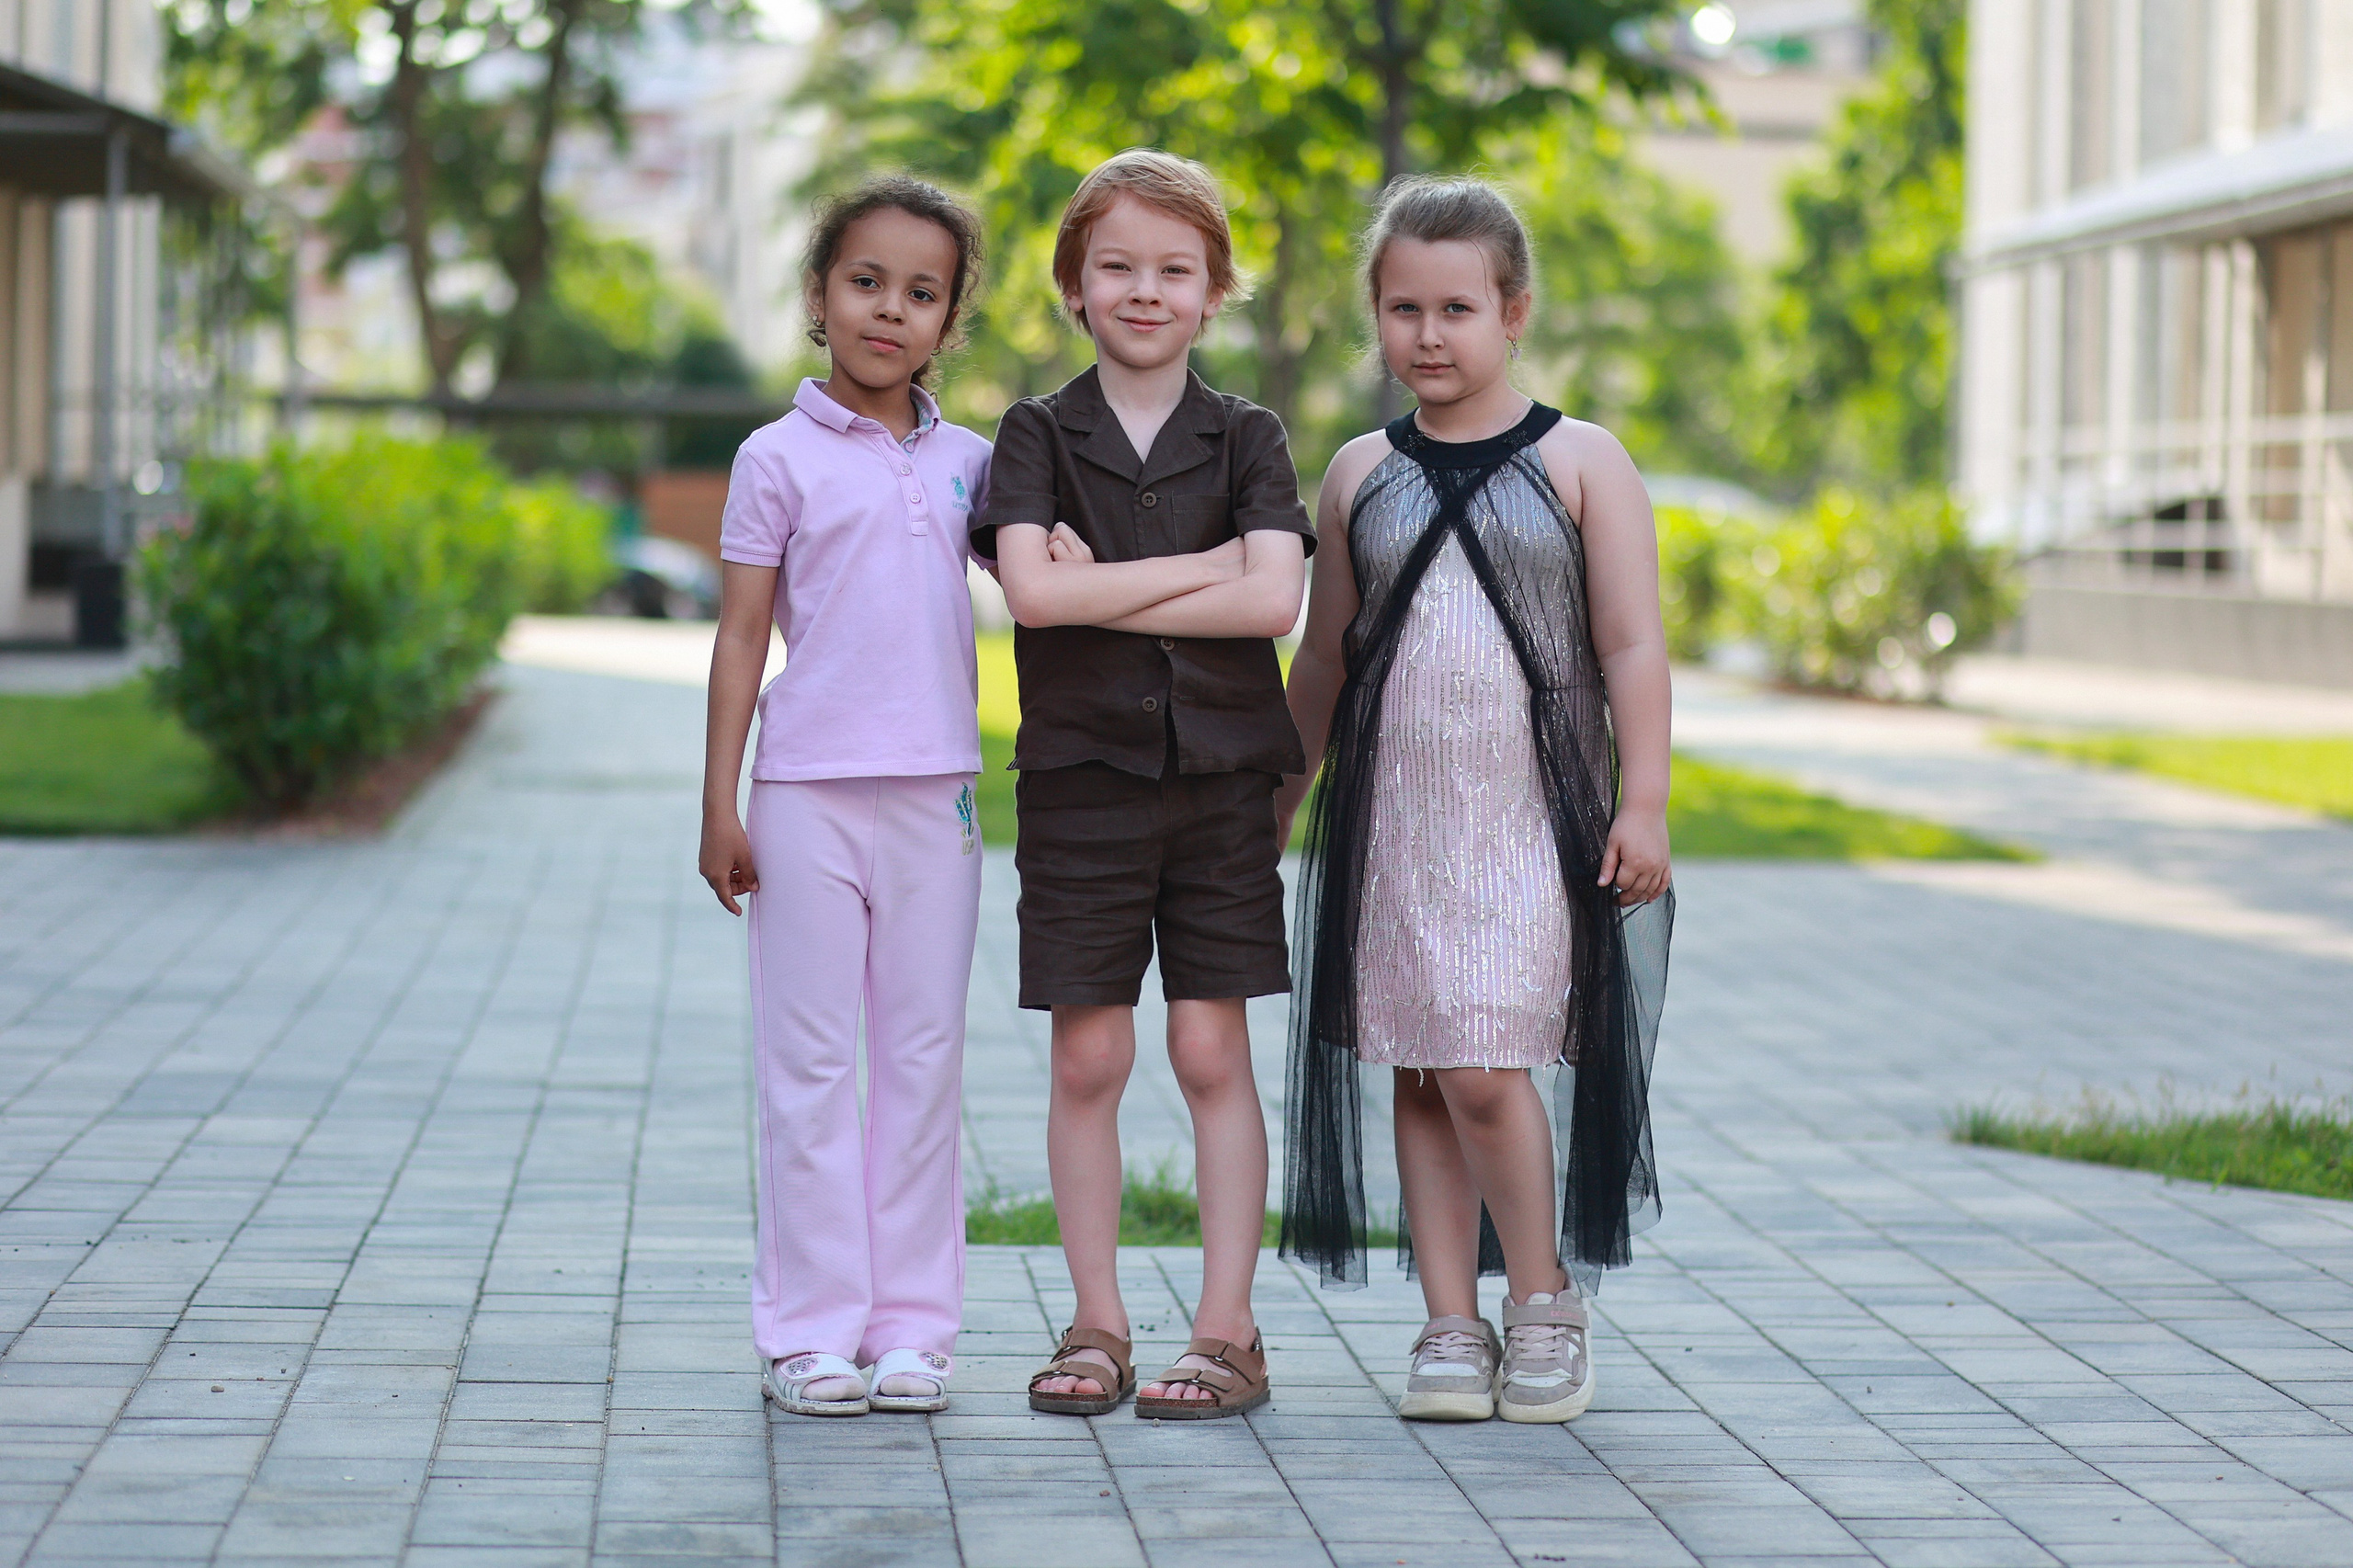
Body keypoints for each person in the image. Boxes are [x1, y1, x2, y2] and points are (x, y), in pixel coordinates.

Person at [1276, 176, 1675, 1425]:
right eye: (1404, 308)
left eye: (1457, 307)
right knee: (1417, 1065)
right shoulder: (1355, 473)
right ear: (1377, 318)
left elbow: (1630, 647)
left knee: (1486, 1065)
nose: (1429, 335)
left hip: (1523, 820)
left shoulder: (1581, 461)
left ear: (1514, 311)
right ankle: (1449, 1320)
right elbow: (1326, 657)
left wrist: (1646, 798)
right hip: (1397, 822)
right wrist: (1284, 796)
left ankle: (1542, 1298)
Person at [973, 149, 1313, 1420]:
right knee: (1090, 1057)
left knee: (1209, 1045)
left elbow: (1274, 599)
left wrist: (1113, 582)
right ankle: (1100, 1321)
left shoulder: (1252, 436)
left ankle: (1226, 1331)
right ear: (1073, 285)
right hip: (1080, 786)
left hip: (1224, 787)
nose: (1145, 289)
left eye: (1175, 269)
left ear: (1214, 290)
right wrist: (1203, 565)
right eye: (1116, 265)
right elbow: (1036, 594)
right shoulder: (1035, 434)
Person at [699, 176, 992, 1417]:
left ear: (947, 320)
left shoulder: (980, 461)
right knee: (809, 1065)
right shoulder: (775, 456)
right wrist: (722, 804)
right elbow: (739, 637)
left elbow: (1051, 587)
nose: (891, 308)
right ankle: (811, 1331)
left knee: (922, 1062)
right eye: (866, 281)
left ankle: (913, 1329)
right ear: (821, 295)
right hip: (807, 794)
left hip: (940, 801)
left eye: (922, 292)